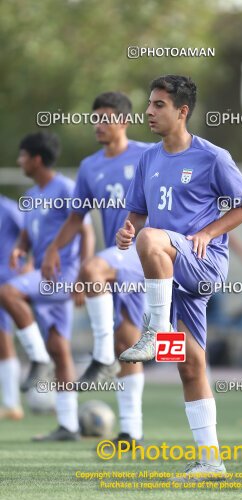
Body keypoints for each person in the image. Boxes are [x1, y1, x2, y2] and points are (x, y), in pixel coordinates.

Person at [117, 75, 242, 476]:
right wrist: (127, 229)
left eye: (158, 105)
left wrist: (208, 233)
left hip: (203, 264)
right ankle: (211, 461)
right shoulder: (148, 158)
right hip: (170, 271)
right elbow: (138, 214)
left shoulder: (212, 156)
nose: (148, 112)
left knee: (151, 239)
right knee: (190, 365)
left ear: (182, 111)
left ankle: (156, 331)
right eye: (149, 104)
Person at [41, 92, 150, 445]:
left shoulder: (148, 156)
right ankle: (131, 430)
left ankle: (101, 354)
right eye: (95, 118)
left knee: (91, 270)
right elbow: (77, 217)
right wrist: (52, 251)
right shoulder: (90, 166)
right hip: (118, 255)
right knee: (129, 343)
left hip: (146, 253)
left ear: (124, 121)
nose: (98, 125)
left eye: (106, 118)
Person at [0, 132, 95, 440]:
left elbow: (87, 232)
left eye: (22, 156)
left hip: (61, 275)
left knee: (8, 292)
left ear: (36, 159)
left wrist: (83, 277)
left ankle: (36, 357)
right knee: (61, 350)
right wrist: (19, 248)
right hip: (45, 275)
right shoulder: (32, 195)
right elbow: (27, 233)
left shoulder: (66, 188)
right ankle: (68, 425)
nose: (19, 161)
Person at [0, 195, 25, 420]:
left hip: (7, 281)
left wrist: (29, 266)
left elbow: (29, 236)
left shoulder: (7, 209)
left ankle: (12, 402)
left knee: (4, 339)